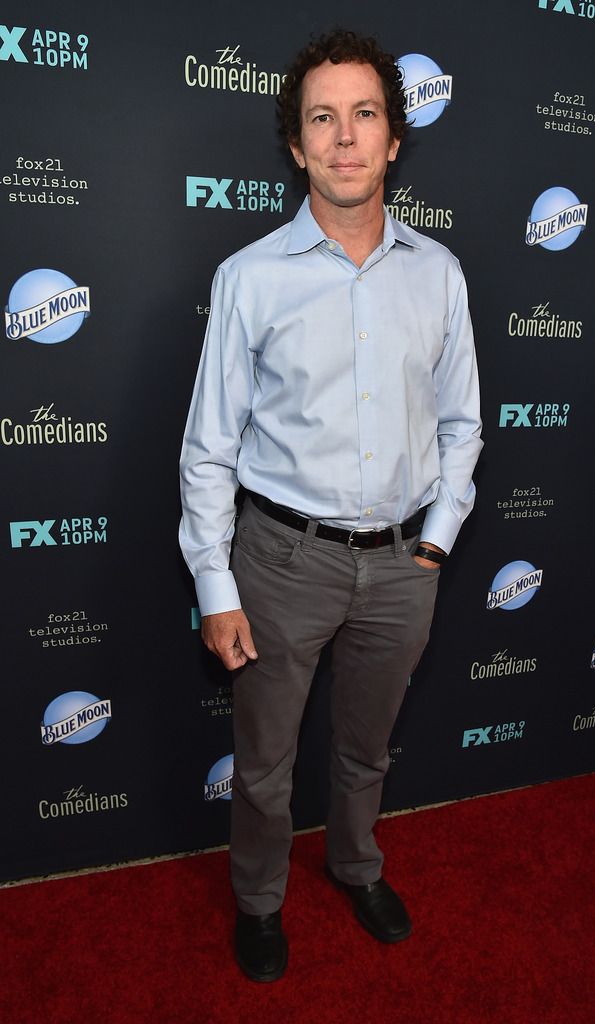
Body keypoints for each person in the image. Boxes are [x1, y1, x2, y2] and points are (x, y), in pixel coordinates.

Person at [179, 29, 482, 982]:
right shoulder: (251, 278)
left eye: (364, 115)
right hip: (280, 563)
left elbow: (463, 423)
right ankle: (260, 902)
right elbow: (210, 445)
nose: (344, 137)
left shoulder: (439, 274)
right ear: (298, 145)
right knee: (264, 764)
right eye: (323, 118)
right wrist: (216, 584)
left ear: (393, 140)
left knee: (366, 749)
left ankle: (356, 866)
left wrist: (432, 546)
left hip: (402, 569)